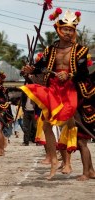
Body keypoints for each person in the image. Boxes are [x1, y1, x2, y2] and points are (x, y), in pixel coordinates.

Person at [20, 9, 91, 179]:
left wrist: (69, 75)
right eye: (65, 29)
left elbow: (83, 73)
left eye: (71, 30)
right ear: (58, 29)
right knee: (46, 126)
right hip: (53, 88)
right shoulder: (50, 49)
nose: (68, 32)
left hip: (71, 90)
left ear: (74, 32)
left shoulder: (80, 50)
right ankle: (53, 160)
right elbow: (41, 66)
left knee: (70, 124)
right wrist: (31, 69)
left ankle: (78, 166)